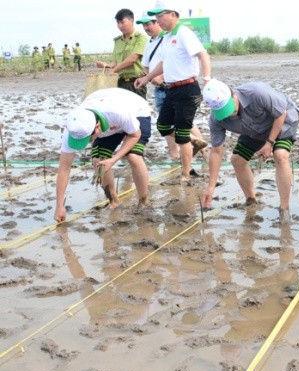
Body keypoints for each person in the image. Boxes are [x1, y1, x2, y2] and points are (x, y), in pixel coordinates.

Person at [200, 78, 299, 222]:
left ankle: (284, 209)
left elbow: (280, 114)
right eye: (222, 112)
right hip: (254, 131)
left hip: (282, 121)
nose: (228, 115)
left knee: (280, 155)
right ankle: (251, 200)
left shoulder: (256, 93)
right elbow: (216, 151)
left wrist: (269, 143)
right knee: (237, 159)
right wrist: (211, 187)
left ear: (233, 94)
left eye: (228, 108)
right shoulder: (216, 119)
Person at [134, 0, 212, 182]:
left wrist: (207, 79)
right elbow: (163, 63)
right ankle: (194, 142)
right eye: (156, 17)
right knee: (162, 126)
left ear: (173, 15)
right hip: (171, 89)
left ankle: (186, 174)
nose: (157, 20)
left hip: (187, 88)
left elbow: (203, 54)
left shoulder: (184, 33)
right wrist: (146, 78)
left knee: (182, 135)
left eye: (160, 16)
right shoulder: (167, 38)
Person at [54, 88, 152, 222]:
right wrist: (59, 206)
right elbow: (64, 169)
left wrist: (114, 159)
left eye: (88, 139)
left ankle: (144, 201)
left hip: (136, 111)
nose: (87, 143)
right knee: (98, 160)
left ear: (97, 127)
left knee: (133, 157)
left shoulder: (118, 113)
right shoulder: (73, 127)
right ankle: (114, 201)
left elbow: (135, 134)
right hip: (104, 111)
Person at [95, 9, 147, 98]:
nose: (120, 26)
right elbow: (115, 63)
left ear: (131, 21)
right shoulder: (118, 41)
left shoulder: (141, 38)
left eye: (122, 22)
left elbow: (133, 59)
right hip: (121, 83)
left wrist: (114, 70)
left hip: (136, 82)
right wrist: (106, 65)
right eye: (118, 23)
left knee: (136, 110)